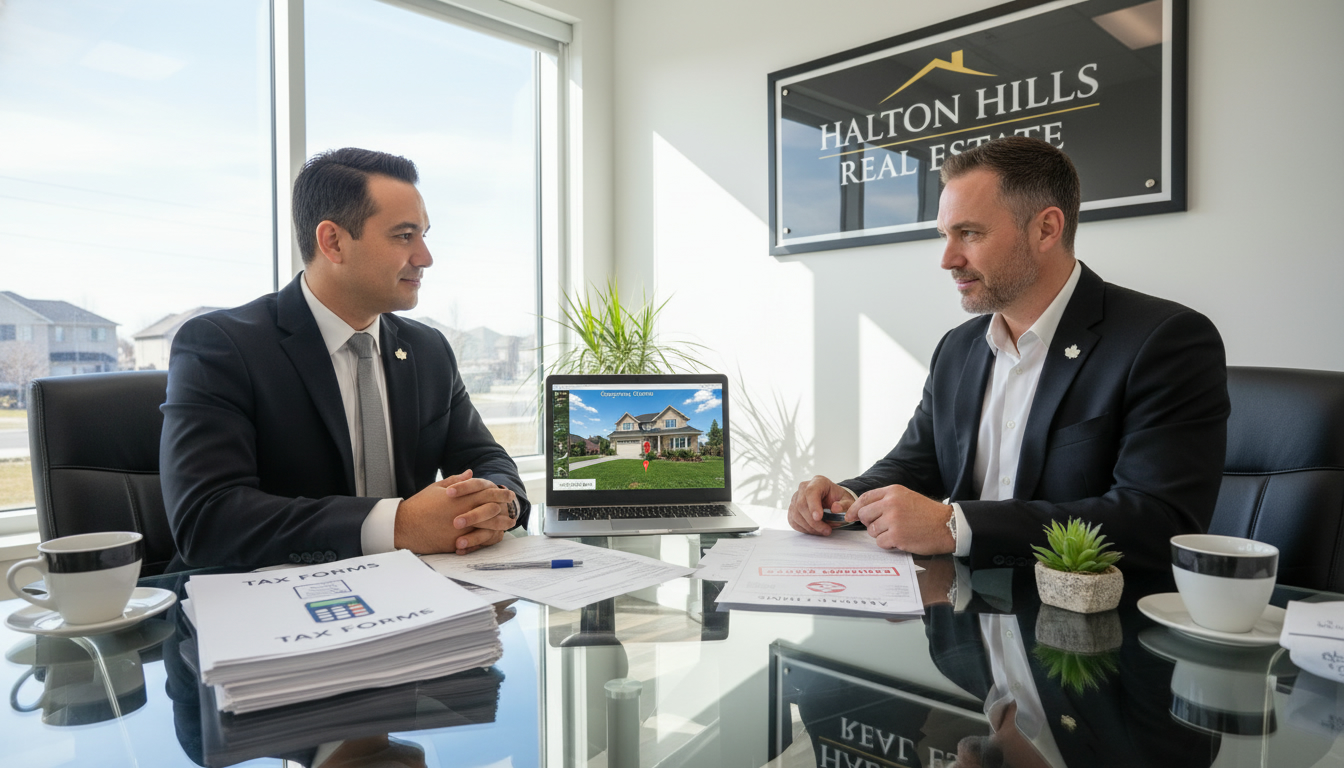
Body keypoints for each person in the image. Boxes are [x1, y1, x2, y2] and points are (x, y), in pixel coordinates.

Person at [788, 136, 1229, 573]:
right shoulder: (957, 348)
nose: (947, 258)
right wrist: (847, 497)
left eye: (970, 233)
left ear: (1046, 229)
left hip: (1090, 625)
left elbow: (1158, 521)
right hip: (963, 620)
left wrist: (956, 526)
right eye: (945, 235)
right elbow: (915, 465)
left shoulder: (1164, 340)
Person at [161, 147, 528, 570]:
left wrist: (501, 506)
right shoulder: (220, 346)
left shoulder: (429, 349)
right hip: (267, 608)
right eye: (404, 236)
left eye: (424, 235)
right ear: (333, 242)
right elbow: (207, 521)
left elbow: (487, 459)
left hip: (418, 597)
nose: (425, 257)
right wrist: (398, 525)